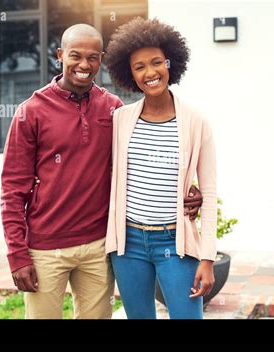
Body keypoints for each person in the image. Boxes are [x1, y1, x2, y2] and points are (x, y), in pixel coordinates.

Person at [0, 23, 203, 319]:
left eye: (93, 57)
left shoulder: (115, 110)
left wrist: (187, 190)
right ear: (60, 55)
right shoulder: (31, 111)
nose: (84, 64)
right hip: (46, 249)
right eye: (75, 56)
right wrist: (17, 254)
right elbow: (12, 189)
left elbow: (142, 164)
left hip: (98, 247)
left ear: (102, 59)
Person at [105, 18, 217, 319]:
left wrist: (207, 257)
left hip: (175, 244)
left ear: (171, 63)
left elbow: (208, 192)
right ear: (129, 74)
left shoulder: (196, 122)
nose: (150, 73)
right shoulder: (120, 119)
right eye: (139, 66)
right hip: (128, 246)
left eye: (157, 62)